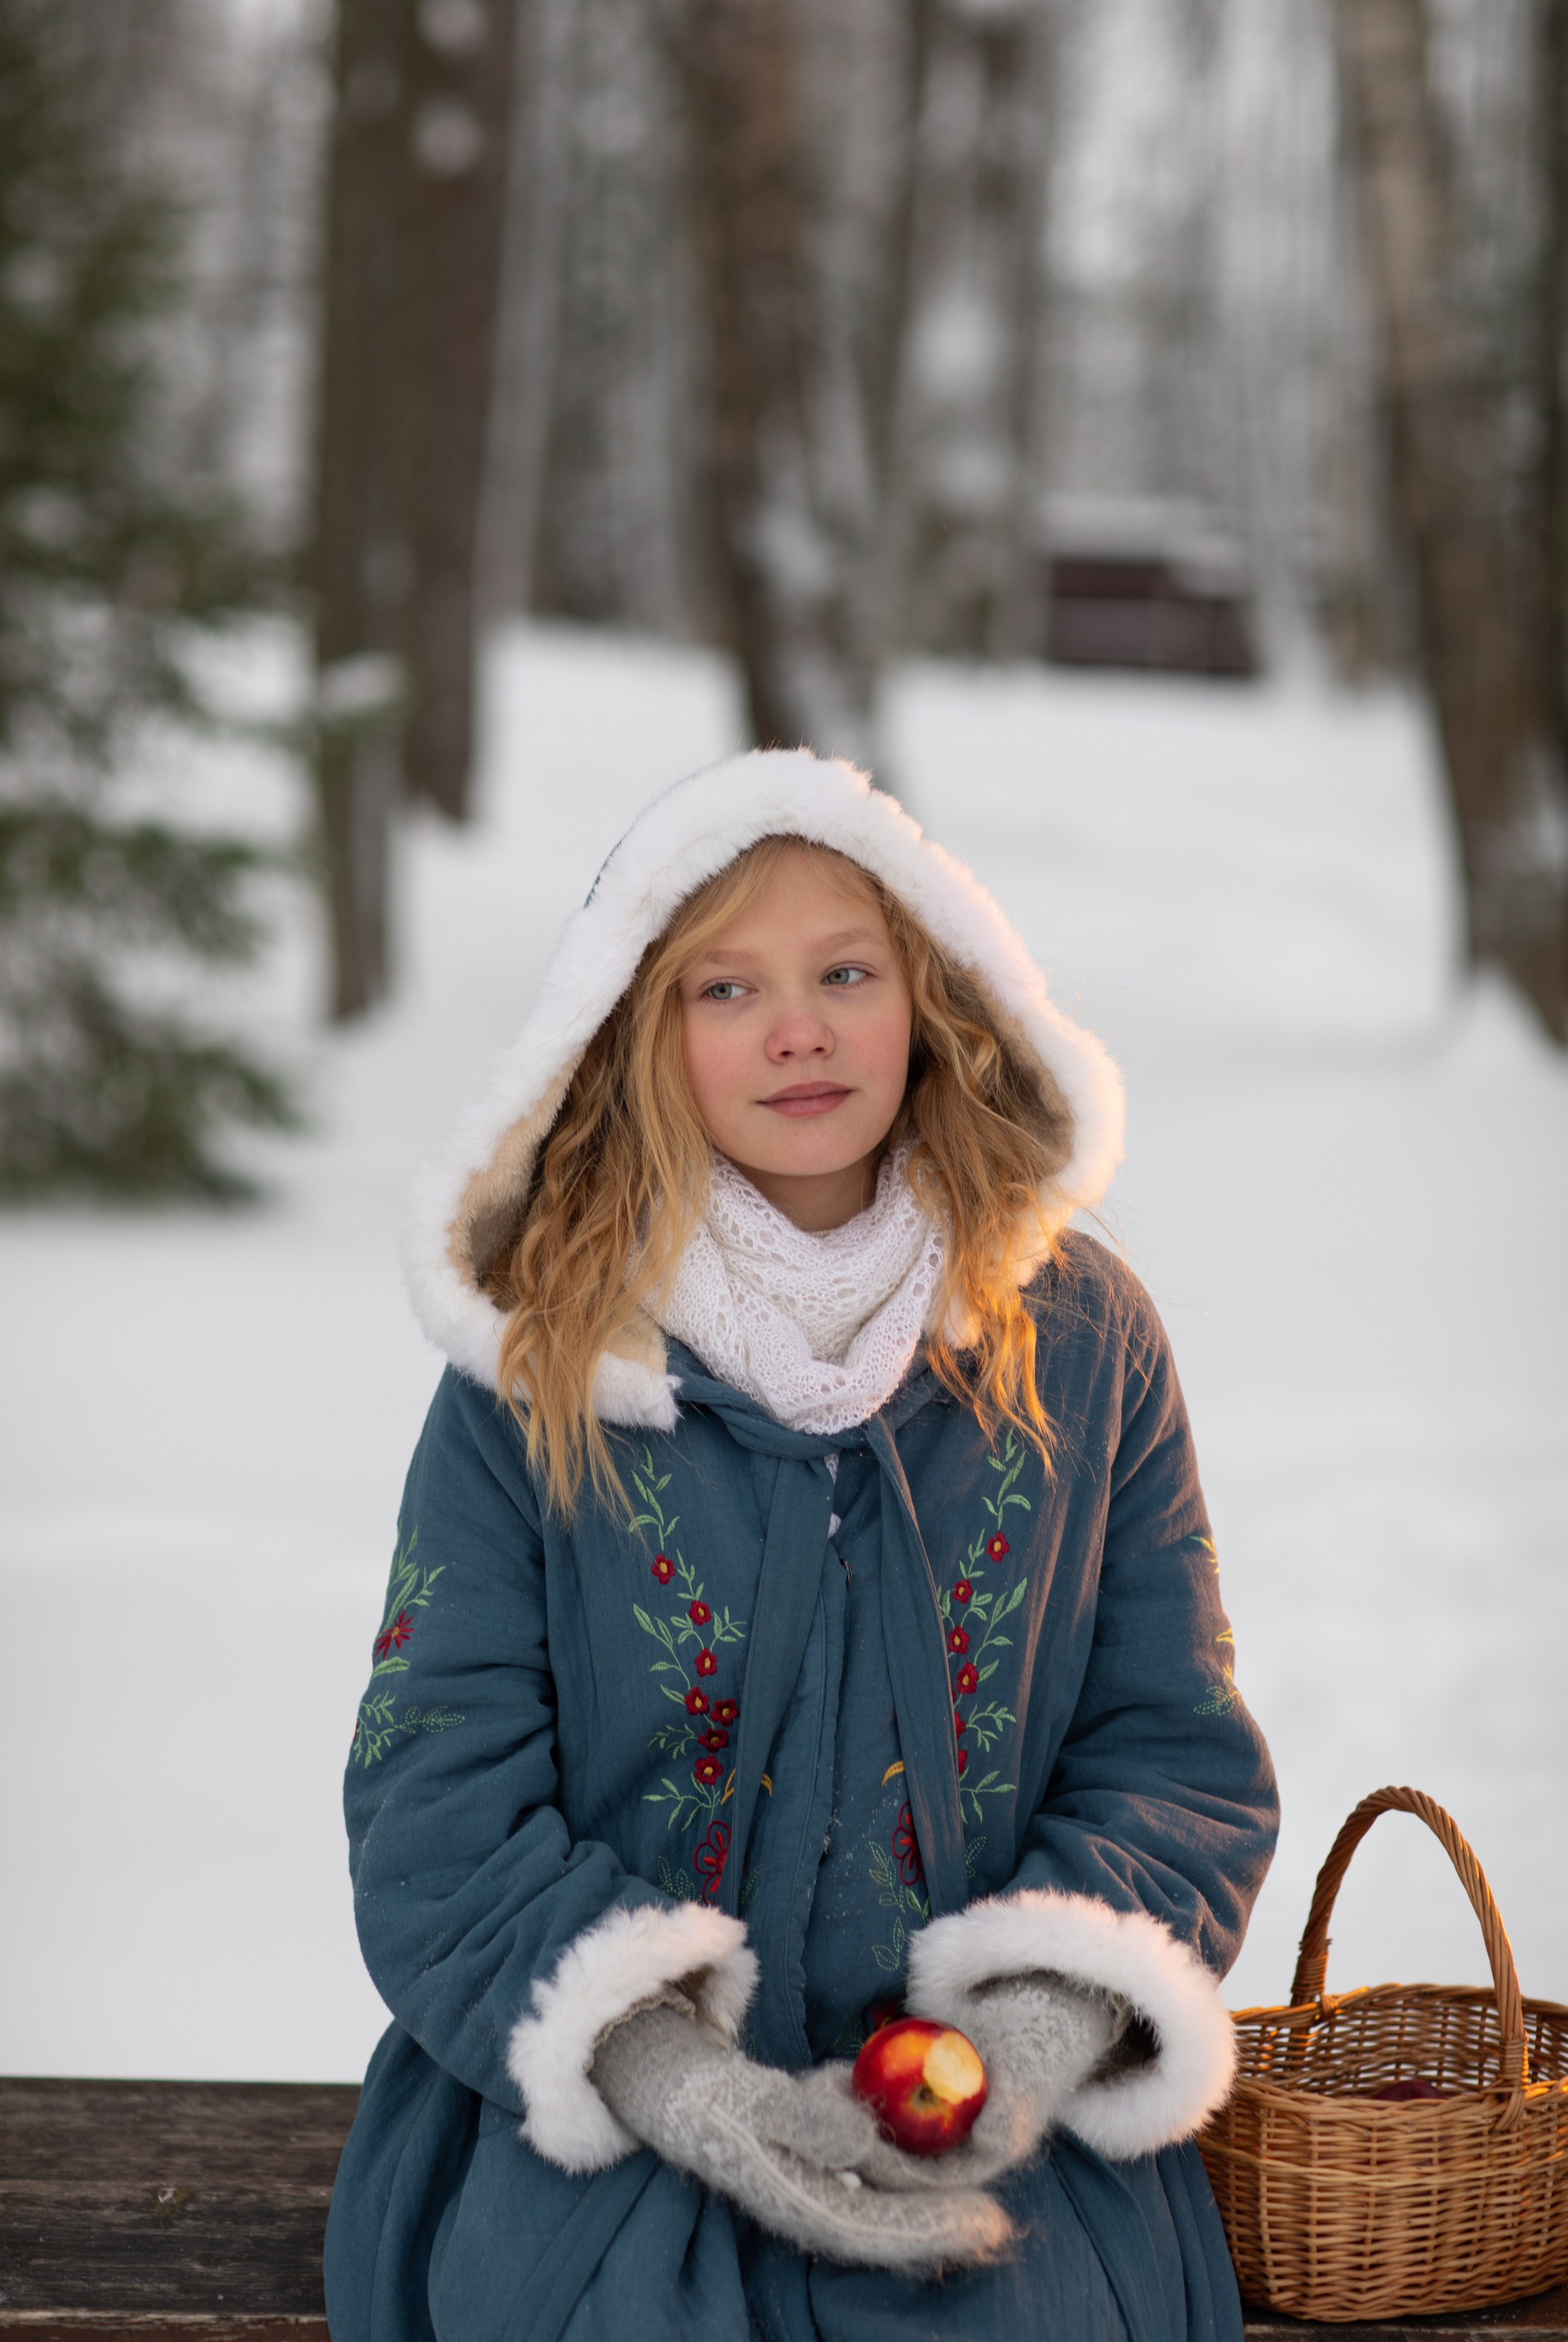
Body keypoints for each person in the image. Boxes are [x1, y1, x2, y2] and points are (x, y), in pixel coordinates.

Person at [324, 750, 1278, 2342]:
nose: (799, 1030)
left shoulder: (1078, 1337)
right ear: (637, 1029)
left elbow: (1174, 1752)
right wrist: (667, 2071)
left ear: (935, 997)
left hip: (1001, 2140)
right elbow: (435, 1804)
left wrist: (1034, 2031)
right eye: (727, 988)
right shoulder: (543, 1361)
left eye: (846, 973)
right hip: (603, 2130)